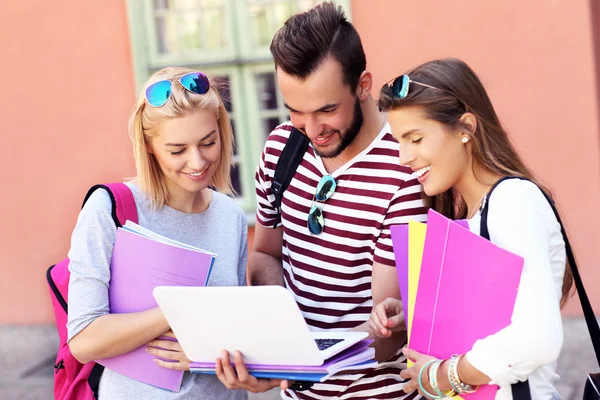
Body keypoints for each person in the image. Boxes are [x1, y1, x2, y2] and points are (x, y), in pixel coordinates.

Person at [214, 3, 428, 399]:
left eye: (327, 109)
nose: (312, 130)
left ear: (363, 85)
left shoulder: (404, 169)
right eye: (296, 111)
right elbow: (264, 255)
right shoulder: (281, 147)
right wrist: (275, 352)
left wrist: (290, 367)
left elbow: (385, 341)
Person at [371, 58, 574, 400]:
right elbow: (495, 315)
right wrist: (419, 317)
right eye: (399, 142)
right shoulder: (479, 214)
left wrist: (442, 374)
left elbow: (537, 337)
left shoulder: (512, 201)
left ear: (465, 128)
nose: (403, 157)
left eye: (415, 138)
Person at [66, 67, 249, 400]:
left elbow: (239, 334)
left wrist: (209, 352)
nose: (197, 162)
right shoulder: (108, 209)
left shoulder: (231, 217)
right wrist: (180, 309)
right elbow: (83, 340)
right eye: (177, 150)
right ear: (148, 145)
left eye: (208, 142)